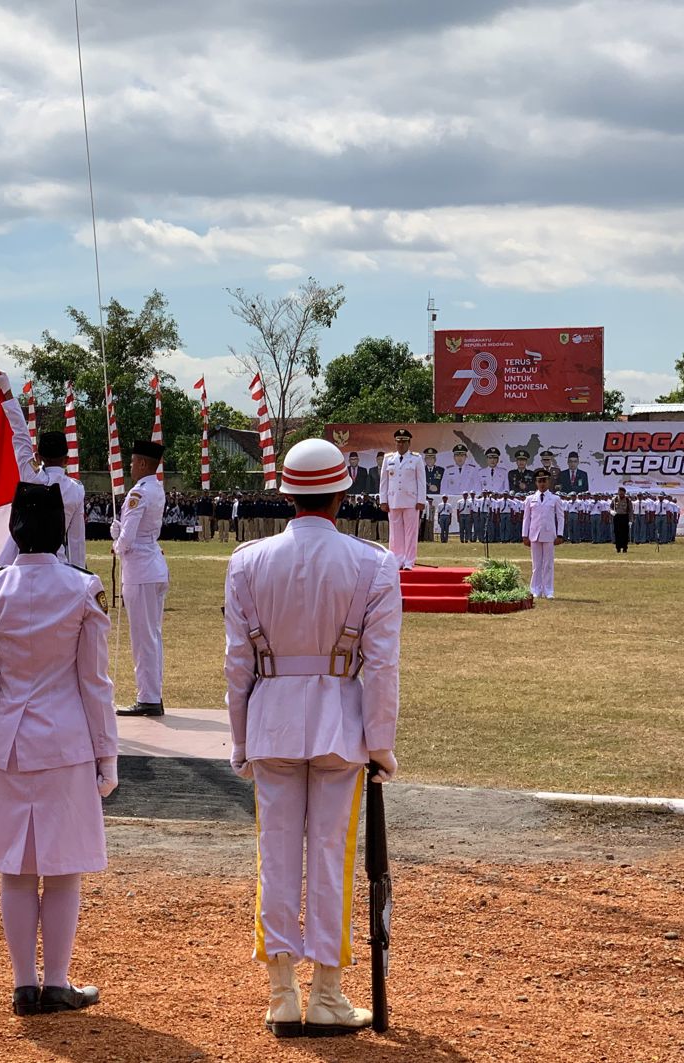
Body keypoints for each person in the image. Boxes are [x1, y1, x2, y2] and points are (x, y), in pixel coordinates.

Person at [224, 437, 401, 1039]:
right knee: (332, 855)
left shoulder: (247, 561)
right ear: (342, 492)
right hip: (340, 723)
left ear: (286, 494)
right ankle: (326, 992)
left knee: (274, 854)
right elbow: (380, 666)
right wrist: (381, 745)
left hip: (272, 717)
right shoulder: (373, 563)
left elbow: (236, 663)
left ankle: (281, 993)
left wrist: (240, 738)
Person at [0, 482, 116, 1015]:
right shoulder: (80, 588)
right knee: (63, 867)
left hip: (9, 742)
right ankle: (55, 981)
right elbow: (95, 683)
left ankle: (25, 983)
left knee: (16, 868)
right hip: (66, 740)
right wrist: (108, 755)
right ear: (59, 530)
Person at [0, 372, 86, 567]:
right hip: (56, 563)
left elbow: (21, 433)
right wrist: (78, 575)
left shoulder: (32, 477)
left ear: (38, 457)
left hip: (20, 562)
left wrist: (7, 390)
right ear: (67, 460)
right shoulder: (76, 490)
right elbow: (76, 542)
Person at [114, 441, 169, 718]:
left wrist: (116, 541)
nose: (130, 466)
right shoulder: (156, 489)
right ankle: (152, 694)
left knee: (143, 637)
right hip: (153, 564)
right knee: (153, 635)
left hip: (140, 568)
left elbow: (128, 538)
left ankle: (147, 697)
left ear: (144, 464)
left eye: (134, 461)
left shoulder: (138, 492)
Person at [378, 429, 425, 570]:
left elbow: (421, 480)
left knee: (411, 532)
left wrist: (421, 500)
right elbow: (384, 481)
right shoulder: (388, 458)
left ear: (409, 443)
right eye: (398, 441)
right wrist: (383, 500)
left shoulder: (416, 458)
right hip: (394, 500)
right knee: (395, 533)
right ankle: (397, 560)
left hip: (411, 500)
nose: (401, 444)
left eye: (404, 441)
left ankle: (409, 561)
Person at [522, 470, 565, 599]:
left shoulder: (555, 498)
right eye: (539, 481)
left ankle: (548, 590)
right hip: (534, 534)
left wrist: (560, 534)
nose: (542, 483)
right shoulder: (530, 499)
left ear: (549, 481)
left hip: (549, 534)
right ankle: (535, 589)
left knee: (548, 564)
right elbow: (526, 518)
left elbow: (561, 517)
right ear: (536, 482)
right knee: (536, 564)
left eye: (544, 480)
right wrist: (525, 535)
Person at [612, 488, 632, 553]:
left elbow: (630, 510)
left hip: (624, 516)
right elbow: (610, 507)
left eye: (622, 492)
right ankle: (618, 547)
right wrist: (611, 511)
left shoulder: (627, 500)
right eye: (619, 492)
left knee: (625, 533)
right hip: (617, 517)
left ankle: (624, 548)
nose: (620, 493)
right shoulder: (614, 499)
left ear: (624, 493)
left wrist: (630, 520)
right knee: (617, 532)